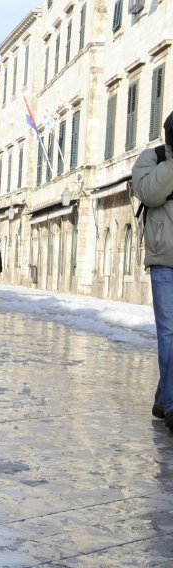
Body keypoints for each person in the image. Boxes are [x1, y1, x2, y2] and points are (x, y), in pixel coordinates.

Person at [132, 110, 173, 429]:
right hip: (164, 262)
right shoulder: (152, 158)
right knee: (169, 332)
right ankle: (172, 405)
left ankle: (163, 399)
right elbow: (149, 193)